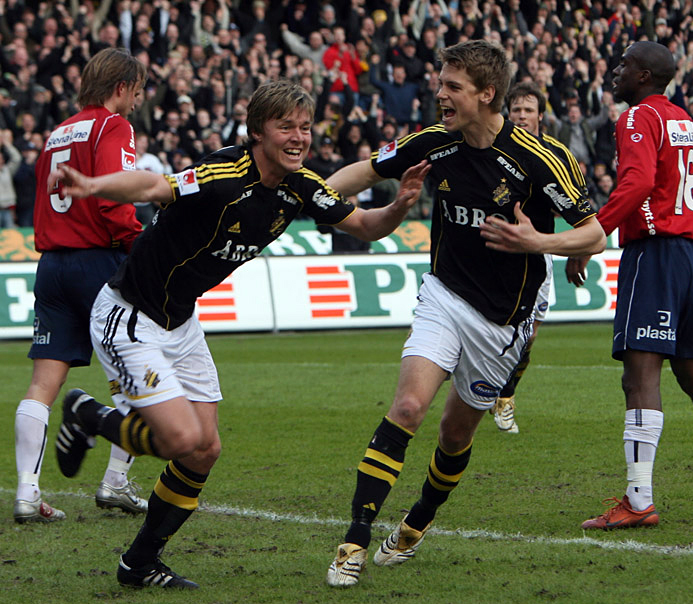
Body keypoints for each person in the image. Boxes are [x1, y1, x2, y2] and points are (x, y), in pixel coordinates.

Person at [48, 78, 430, 589]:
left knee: (204, 450)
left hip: (180, 323)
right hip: (130, 315)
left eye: (305, 127)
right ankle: (86, 412)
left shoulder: (300, 186)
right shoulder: (225, 172)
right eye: (285, 127)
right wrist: (95, 186)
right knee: (180, 439)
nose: (299, 137)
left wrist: (401, 205)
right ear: (256, 133)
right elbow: (154, 186)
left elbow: (363, 225)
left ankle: (137, 564)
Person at [324, 40, 606, 588]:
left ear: (486, 94)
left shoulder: (542, 159)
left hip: (503, 322)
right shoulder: (435, 143)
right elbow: (363, 172)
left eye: (452, 86)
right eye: (441, 83)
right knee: (408, 406)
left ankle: (417, 523)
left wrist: (537, 241)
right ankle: (353, 542)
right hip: (445, 296)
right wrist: (299, 195)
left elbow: (593, 232)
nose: (440, 94)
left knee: (454, 436)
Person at [567, 41, 693, 531]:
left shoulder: (636, 118)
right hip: (691, 252)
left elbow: (635, 184)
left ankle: (638, 498)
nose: (616, 70)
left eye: (626, 64)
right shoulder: (684, 120)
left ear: (646, 75)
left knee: (639, 373)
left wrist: (591, 237)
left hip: (654, 252)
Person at [14, 48, 149, 525]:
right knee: (141, 372)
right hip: (99, 263)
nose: (136, 101)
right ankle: (115, 483)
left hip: (52, 265)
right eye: (135, 91)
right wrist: (140, 243)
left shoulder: (55, 134)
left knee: (42, 382)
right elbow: (117, 191)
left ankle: (27, 494)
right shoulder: (113, 127)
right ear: (120, 88)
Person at [489, 81, 590, 434]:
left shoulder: (557, 155)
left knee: (528, 337)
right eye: (515, 110)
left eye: (527, 110)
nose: (520, 116)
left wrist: (579, 251)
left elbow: (581, 211)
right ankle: (478, 387)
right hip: (493, 251)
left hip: (537, 255)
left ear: (541, 117)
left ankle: (505, 397)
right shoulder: (491, 148)